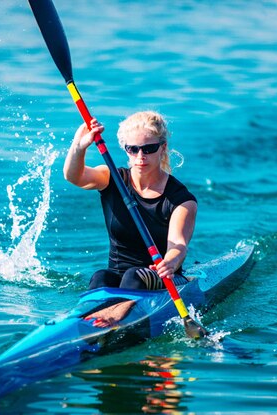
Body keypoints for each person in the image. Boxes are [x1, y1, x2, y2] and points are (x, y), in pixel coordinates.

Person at [63, 111, 197, 327]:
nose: (140, 156)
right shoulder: (113, 179)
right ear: (126, 150)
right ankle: (79, 325)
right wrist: (80, 148)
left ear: (162, 148)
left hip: (162, 278)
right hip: (117, 276)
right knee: (100, 277)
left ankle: (112, 321)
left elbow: (178, 245)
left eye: (149, 149)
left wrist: (169, 262)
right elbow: (73, 176)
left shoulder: (181, 200)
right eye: (133, 149)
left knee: (135, 276)